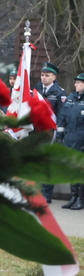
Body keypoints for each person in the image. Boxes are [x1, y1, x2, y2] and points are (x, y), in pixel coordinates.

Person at [35, 62, 65, 203]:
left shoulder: (60, 93)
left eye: (47, 75)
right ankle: (37, 191)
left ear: (54, 77)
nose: (43, 78)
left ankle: (47, 194)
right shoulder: (36, 88)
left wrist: (59, 134)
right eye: (42, 75)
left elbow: (61, 115)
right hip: (36, 131)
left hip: (50, 132)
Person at [57, 73, 84, 210]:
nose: (75, 85)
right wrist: (60, 134)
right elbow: (62, 117)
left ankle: (80, 199)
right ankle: (73, 197)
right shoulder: (70, 98)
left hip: (81, 139)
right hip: (70, 138)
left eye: (78, 82)